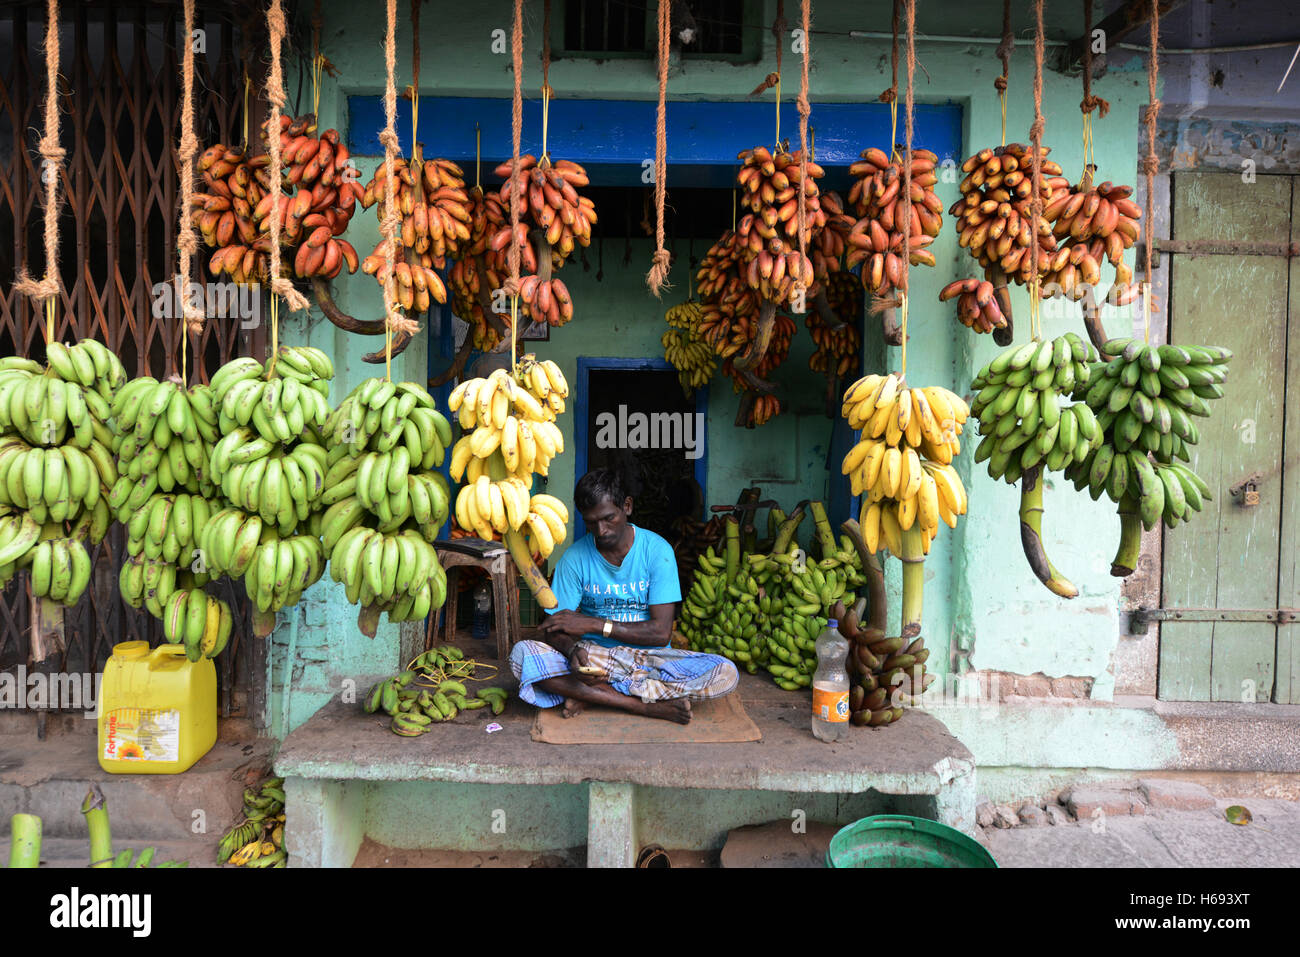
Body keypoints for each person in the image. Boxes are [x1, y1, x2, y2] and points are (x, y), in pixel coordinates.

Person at [508, 468, 738, 724]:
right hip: (594, 658)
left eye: (608, 518)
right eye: (591, 522)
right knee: (522, 654)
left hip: (652, 661)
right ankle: (643, 705)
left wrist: (595, 624)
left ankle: (593, 695)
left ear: (627, 506)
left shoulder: (656, 551)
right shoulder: (574, 559)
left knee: (725, 672)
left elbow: (661, 633)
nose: (601, 530)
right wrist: (573, 649)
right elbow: (554, 628)